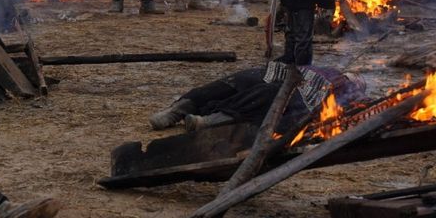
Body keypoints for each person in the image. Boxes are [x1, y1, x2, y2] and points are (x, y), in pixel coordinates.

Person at [148, 66, 367, 132]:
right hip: (286, 73)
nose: (355, 79)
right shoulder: (330, 69)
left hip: (301, 91)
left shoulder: (347, 94)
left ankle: (210, 121)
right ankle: (177, 110)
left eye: (358, 81)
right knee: (239, 80)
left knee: (269, 94)